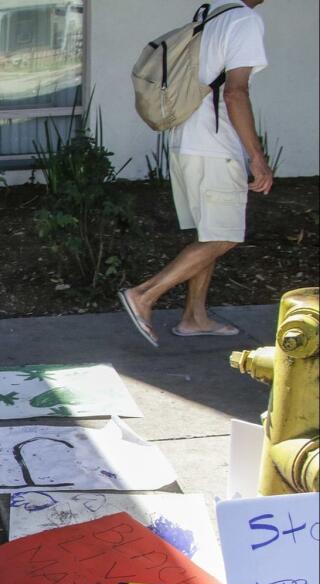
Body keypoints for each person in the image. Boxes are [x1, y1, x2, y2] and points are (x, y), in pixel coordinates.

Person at [119, 0, 272, 346]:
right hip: (214, 147)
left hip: (186, 141)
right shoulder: (244, 20)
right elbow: (236, 92)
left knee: (209, 234)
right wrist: (256, 157)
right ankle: (144, 295)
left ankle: (194, 317)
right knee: (225, 236)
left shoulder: (211, 13)